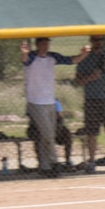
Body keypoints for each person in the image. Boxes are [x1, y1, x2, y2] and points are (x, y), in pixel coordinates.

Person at [21, 37, 89, 175]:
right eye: (43, 43)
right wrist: (24, 52)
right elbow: (25, 61)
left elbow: (72, 60)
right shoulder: (32, 57)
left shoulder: (52, 57)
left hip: (50, 101)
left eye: (47, 43)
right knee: (48, 134)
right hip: (36, 102)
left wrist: (84, 54)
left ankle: (45, 166)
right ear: (37, 45)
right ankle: (54, 162)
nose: (45, 46)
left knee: (46, 135)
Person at [75, 35, 105, 173]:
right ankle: (92, 161)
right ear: (91, 41)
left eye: (101, 40)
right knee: (92, 132)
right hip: (92, 98)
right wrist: (90, 77)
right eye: (96, 40)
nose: (99, 43)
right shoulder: (85, 57)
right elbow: (78, 80)